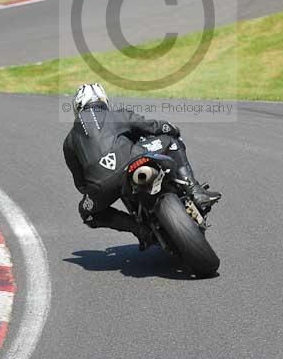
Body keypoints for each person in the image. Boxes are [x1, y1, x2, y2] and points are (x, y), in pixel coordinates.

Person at [63, 83, 221, 247]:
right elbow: (152, 127)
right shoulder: (117, 115)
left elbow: (81, 185)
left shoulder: (68, 142)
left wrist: (100, 183)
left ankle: (138, 229)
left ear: (77, 107)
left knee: (87, 213)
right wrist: (171, 128)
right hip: (132, 160)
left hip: (101, 186)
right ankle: (195, 191)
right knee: (172, 142)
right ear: (103, 99)